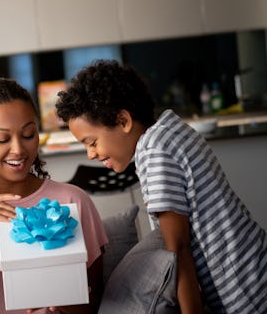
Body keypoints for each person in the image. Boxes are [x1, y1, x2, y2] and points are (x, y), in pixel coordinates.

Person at [55, 59, 267, 313]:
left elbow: (176, 249)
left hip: (245, 289)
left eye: (92, 142)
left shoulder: (153, 151)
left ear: (123, 121)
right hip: (255, 266)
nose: (91, 154)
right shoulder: (170, 129)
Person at [0, 77, 108, 314]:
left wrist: (61, 303)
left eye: (28, 134)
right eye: (2, 139)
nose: (18, 149)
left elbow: (95, 302)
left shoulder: (73, 201)